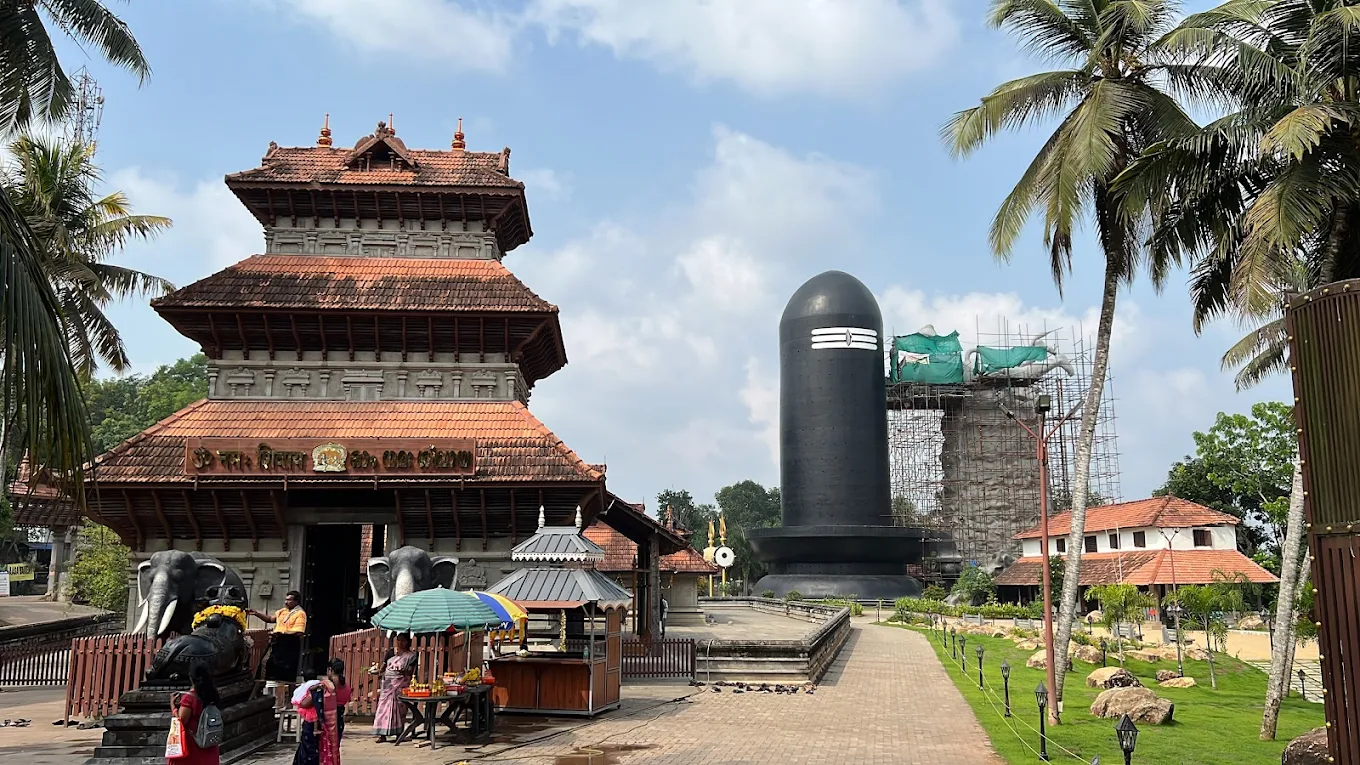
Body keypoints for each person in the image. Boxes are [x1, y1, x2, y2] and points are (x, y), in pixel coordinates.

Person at [248, 591, 307, 711]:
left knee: (288, 673)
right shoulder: (282, 611)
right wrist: (256, 614)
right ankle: (254, 695)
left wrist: (282, 633)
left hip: (289, 645)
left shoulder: (300, 614)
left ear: (296, 601)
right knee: (263, 665)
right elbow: (270, 619)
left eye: (289, 600)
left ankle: (289, 701)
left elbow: (299, 631)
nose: (286, 602)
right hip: (276, 643)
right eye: (286, 599)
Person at [370, 634, 417, 743]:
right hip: (388, 684)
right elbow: (383, 667)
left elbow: (410, 671)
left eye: (403, 641)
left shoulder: (411, 656)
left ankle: (399, 734)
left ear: (407, 642)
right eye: (398, 640)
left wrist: (400, 670)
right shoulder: (390, 653)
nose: (400, 643)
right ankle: (382, 735)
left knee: (399, 710)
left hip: (401, 684)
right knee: (383, 708)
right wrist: (376, 670)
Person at [171, 664, 221, 765]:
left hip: (193, 744)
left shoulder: (189, 698)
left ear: (191, 678)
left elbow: (181, 721)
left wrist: (173, 706)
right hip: (209, 742)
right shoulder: (212, 695)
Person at [292, 667, 340, 765]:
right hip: (323, 718)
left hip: (313, 717)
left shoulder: (313, 688)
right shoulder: (323, 685)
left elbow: (304, 703)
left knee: (310, 746)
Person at [327, 659, 351, 743]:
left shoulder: (328, 685)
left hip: (328, 716)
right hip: (340, 714)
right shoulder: (346, 686)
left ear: (331, 670)